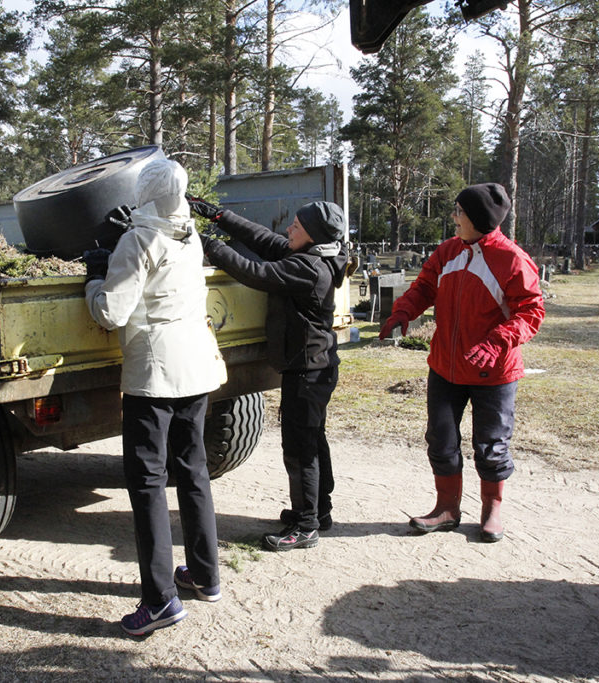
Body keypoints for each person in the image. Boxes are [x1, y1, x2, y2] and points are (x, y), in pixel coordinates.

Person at [83, 158, 226, 636]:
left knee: (146, 483)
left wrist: (94, 279)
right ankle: (205, 576)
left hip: (154, 375)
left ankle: (160, 600)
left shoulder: (138, 239)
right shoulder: (190, 235)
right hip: (197, 365)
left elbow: (111, 313)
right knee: (193, 471)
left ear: (144, 192)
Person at [379, 182, 544, 542]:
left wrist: (499, 340)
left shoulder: (511, 259)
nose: (453, 217)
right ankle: (447, 509)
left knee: (491, 446)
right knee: (440, 439)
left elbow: (531, 311)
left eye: (459, 212)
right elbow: (424, 287)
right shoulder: (448, 251)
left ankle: (491, 512)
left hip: (494, 372)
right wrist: (403, 311)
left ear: (478, 219)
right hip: (445, 367)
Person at [193, 198, 348, 551]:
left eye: (296, 225)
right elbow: (262, 239)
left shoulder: (309, 268)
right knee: (312, 440)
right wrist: (218, 215)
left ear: (312, 236)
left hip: (308, 371)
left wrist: (204, 242)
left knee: (300, 448)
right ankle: (319, 511)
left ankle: (306, 525)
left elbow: (256, 273)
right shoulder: (315, 254)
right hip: (314, 367)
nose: (289, 229)